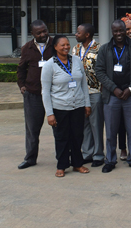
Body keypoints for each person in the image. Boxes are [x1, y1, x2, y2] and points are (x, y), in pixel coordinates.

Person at [95, 19, 131, 173]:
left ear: (126, 30)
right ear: (112, 32)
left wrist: (130, 88)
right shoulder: (105, 49)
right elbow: (100, 71)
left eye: (121, 31)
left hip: (130, 95)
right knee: (110, 131)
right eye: (115, 31)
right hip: (112, 96)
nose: (118, 34)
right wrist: (114, 89)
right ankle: (110, 160)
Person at [41, 35, 91, 177]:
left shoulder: (76, 61)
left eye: (67, 44)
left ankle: (77, 164)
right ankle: (61, 165)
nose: (66, 47)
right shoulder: (49, 65)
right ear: (55, 47)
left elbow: (83, 84)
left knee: (77, 136)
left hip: (78, 106)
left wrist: (86, 103)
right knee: (62, 137)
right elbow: (45, 92)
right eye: (62, 45)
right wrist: (49, 113)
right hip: (60, 107)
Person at [17, 20, 54, 169]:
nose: (43, 34)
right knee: (32, 129)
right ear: (32, 34)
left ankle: (64, 158)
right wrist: (22, 86)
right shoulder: (27, 48)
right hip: (33, 94)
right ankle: (30, 158)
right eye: (39, 33)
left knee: (61, 128)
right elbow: (21, 69)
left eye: (45, 31)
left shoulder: (55, 44)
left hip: (54, 94)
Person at [72, 23, 104, 167]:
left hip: (95, 91)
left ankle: (98, 155)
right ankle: (87, 153)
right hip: (79, 93)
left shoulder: (100, 48)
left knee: (95, 124)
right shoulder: (75, 49)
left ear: (87, 35)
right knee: (84, 124)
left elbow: (104, 70)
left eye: (78, 33)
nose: (76, 34)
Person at [117, 13, 131, 160]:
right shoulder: (116, 47)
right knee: (121, 124)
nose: (130, 31)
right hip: (120, 90)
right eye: (127, 29)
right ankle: (123, 148)